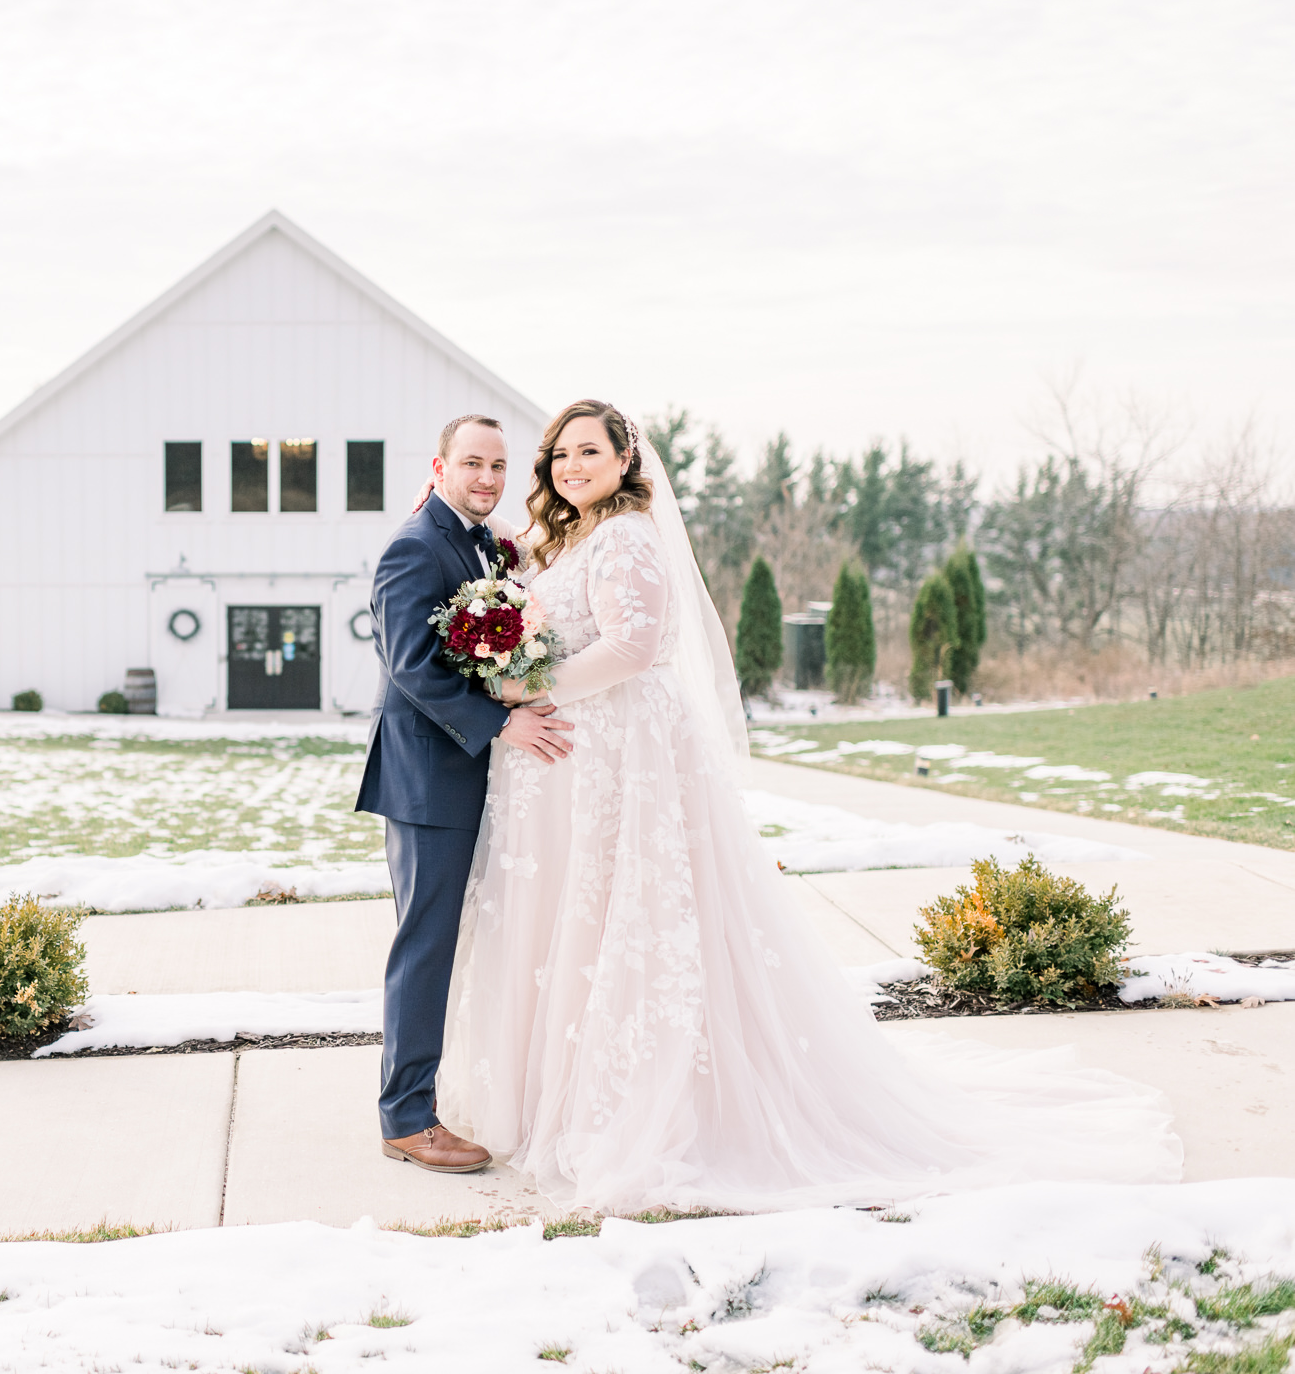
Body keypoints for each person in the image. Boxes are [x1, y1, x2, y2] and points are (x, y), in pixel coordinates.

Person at [433, 398, 1183, 1213]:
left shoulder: (626, 535)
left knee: (629, 918)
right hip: (573, 763)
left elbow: (635, 647)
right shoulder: (564, 537)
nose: (571, 467)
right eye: (559, 456)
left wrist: (527, 683)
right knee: (573, 922)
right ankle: (561, 1093)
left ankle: (638, 1108)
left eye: (588, 452)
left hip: (623, 759)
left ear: (625, 461)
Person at [354, 414, 575, 1174]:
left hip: (479, 780)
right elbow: (412, 666)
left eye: (498, 466)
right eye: (472, 464)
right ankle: (407, 1119)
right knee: (427, 946)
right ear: (440, 467)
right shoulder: (414, 549)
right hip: (429, 784)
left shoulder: (485, 543)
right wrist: (501, 724)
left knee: (469, 944)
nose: (487, 478)